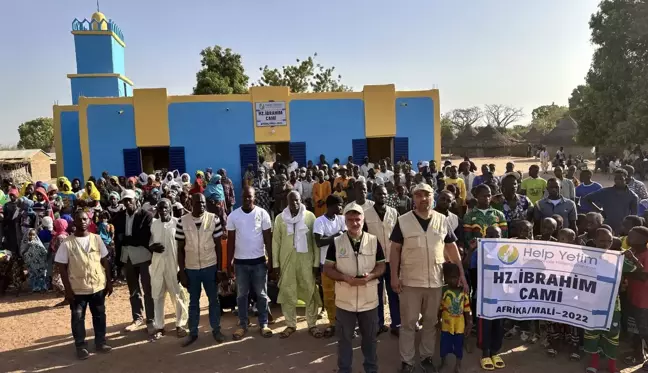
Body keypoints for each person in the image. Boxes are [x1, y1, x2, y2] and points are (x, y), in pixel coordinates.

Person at [390, 183, 468, 373]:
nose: (423, 199)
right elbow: (395, 250)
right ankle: (407, 361)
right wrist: (393, 276)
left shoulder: (442, 220)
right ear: (413, 198)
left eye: (426, 195)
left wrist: (462, 274)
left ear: (432, 197)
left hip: (435, 280)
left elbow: (451, 248)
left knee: (431, 323)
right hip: (410, 280)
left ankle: (426, 358)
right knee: (408, 323)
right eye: (418, 195)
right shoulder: (403, 221)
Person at [324, 203, 386, 373]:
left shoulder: (373, 241)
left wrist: (372, 276)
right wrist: (344, 277)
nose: (354, 223)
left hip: (369, 301)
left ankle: (371, 370)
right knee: (344, 340)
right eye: (350, 219)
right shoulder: (336, 242)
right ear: (345, 221)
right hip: (345, 302)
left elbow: (381, 266)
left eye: (357, 219)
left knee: (370, 340)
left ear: (363, 220)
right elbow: (328, 268)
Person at [55, 210, 113, 360]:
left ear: (90, 221)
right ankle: (80, 346)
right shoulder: (67, 243)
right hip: (77, 288)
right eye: (79, 219)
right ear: (74, 222)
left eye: (85, 219)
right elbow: (61, 266)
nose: (82, 222)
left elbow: (105, 261)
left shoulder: (97, 239)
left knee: (99, 315)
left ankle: (101, 342)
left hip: (97, 286)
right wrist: (67, 290)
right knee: (78, 317)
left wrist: (109, 281)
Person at [584, 227, 643, 373]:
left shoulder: (617, 258)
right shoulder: (586, 260)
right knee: (592, 334)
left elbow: (639, 268)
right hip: (591, 304)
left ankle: (611, 366)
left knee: (612, 335)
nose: (605, 244)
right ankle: (594, 364)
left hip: (612, 305)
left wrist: (631, 257)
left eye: (609, 241)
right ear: (595, 241)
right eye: (602, 241)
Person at [176, 194, 224, 346]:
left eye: (203, 203)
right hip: (191, 269)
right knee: (193, 303)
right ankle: (193, 333)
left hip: (210, 266)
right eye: (198, 203)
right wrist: (182, 272)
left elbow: (218, 246)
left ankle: (216, 330)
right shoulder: (182, 222)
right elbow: (180, 249)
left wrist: (219, 269)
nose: (202, 205)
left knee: (214, 301)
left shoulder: (213, 219)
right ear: (191, 203)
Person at [272, 191, 322, 338]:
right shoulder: (280, 219)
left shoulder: (310, 216)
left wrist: (316, 263)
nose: (294, 204)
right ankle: (290, 324)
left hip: (306, 261)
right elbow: (276, 242)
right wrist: (275, 264)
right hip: (287, 261)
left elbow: (315, 242)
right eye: (291, 201)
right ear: (287, 202)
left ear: (301, 201)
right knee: (287, 292)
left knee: (310, 291)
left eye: (297, 201)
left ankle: (312, 324)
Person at [227, 186, 274, 340]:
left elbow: (268, 239)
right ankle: (242, 325)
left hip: (259, 262)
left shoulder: (263, 214)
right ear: (241, 197)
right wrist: (229, 263)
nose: (247, 199)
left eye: (250, 196)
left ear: (255, 197)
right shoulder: (233, 216)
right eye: (245, 197)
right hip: (240, 263)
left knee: (261, 294)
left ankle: (264, 324)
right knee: (241, 295)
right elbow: (231, 242)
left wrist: (271, 260)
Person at [113, 189, 155, 333]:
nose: (128, 203)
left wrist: (126, 239)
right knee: (133, 290)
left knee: (148, 289)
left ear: (136, 200)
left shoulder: (146, 216)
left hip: (143, 256)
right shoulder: (118, 217)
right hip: (127, 257)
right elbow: (117, 240)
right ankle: (137, 318)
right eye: (125, 200)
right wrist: (118, 260)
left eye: (130, 200)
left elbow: (144, 237)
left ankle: (151, 319)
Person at [150, 199, 188, 340]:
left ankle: (180, 324)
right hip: (158, 265)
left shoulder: (177, 223)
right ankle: (159, 326)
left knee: (178, 295)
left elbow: (183, 246)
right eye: (160, 207)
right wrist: (151, 247)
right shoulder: (153, 225)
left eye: (165, 207)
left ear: (170, 209)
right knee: (158, 296)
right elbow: (149, 242)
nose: (163, 210)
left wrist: (182, 268)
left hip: (174, 265)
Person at [364, 185, 401, 336]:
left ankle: (396, 323)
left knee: (394, 292)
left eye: (384, 194)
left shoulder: (394, 213)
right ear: (373, 195)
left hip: (392, 259)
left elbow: (400, 236)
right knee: (376, 294)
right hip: (375, 261)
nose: (382, 197)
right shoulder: (366, 214)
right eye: (379, 194)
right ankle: (378, 323)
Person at [313, 194, 346, 338]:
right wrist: (336, 236)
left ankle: (344, 323)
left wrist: (334, 237)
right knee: (329, 296)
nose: (341, 208)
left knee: (343, 295)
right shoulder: (319, 221)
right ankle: (332, 323)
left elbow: (345, 236)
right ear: (331, 205)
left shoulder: (342, 219)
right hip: (326, 264)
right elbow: (319, 242)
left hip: (342, 264)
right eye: (339, 205)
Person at [438, 263, 472, 373]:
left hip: (459, 326)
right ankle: (443, 362)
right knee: (444, 345)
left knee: (458, 346)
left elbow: (467, 309)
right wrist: (437, 320)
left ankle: (458, 365)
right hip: (446, 325)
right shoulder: (444, 291)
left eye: (455, 277)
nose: (453, 280)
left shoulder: (463, 291)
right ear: (445, 278)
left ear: (459, 277)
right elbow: (440, 308)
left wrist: (469, 323)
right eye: (450, 277)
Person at [582, 169, 638, 233]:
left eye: (620, 178)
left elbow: (634, 216)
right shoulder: (605, 192)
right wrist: (599, 211)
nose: (617, 181)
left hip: (622, 229)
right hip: (606, 227)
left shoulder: (633, 196)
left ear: (626, 179)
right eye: (616, 178)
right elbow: (587, 199)